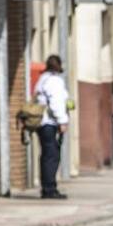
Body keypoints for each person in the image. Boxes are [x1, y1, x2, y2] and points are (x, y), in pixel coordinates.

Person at [33, 55, 70, 200]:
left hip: (42, 123)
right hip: (49, 123)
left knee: (47, 155)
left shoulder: (43, 79)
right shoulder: (54, 81)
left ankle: (47, 187)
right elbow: (56, 102)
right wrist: (62, 121)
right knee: (52, 156)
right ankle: (49, 189)